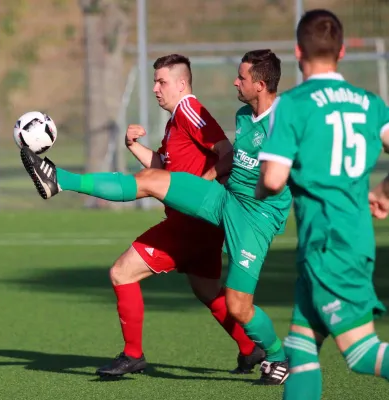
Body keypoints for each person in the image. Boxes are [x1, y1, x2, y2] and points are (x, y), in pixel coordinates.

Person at [20, 50, 292, 385]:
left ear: (261, 84)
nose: (235, 82)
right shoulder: (242, 115)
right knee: (203, 284)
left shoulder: (276, 121)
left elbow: (240, 158)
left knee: (236, 305)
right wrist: (147, 155)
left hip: (253, 218)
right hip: (223, 202)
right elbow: (212, 162)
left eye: (242, 77)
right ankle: (61, 179)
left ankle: (278, 356)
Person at [86, 54, 264, 377]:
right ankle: (251, 349)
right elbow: (161, 171)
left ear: (182, 84)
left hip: (190, 223)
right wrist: (132, 146)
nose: (155, 88)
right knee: (207, 290)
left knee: (122, 272)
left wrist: (200, 188)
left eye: (162, 82)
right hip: (202, 226)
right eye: (155, 81)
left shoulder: (189, 110)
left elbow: (226, 153)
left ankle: (133, 354)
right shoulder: (175, 122)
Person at [255, 9, 389, 398]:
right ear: (342, 51)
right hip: (351, 238)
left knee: (362, 353)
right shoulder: (370, 103)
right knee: (300, 349)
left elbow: (274, 179)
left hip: (327, 244)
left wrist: (259, 190)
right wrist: (383, 191)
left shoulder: (293, 104)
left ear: (298, 51)